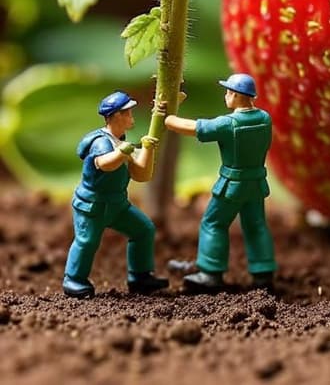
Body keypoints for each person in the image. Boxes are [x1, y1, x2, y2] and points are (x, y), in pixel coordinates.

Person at [164, 74, 277, 291]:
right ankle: (264, 274)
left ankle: (210, 273)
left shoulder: (228, 124)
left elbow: (192, 127)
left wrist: (167, 116)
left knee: (213, 223)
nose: (226, 96)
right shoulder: (265, 118)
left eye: (228, 92)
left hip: (231, 185)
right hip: (256, 183)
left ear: (236, 95)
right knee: (256, 226)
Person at [63, 91, 167, 298]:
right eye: (128, 112)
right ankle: (73, 280)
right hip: (93, 206)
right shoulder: (102, 142)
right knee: (87, 242)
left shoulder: (121, 142)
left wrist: (147, 149)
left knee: (143, 230)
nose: (132, 116)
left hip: (118, 205)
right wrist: (122, 153)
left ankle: (140, 276)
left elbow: (141, 174)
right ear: (117, 115)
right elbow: (104, 164)